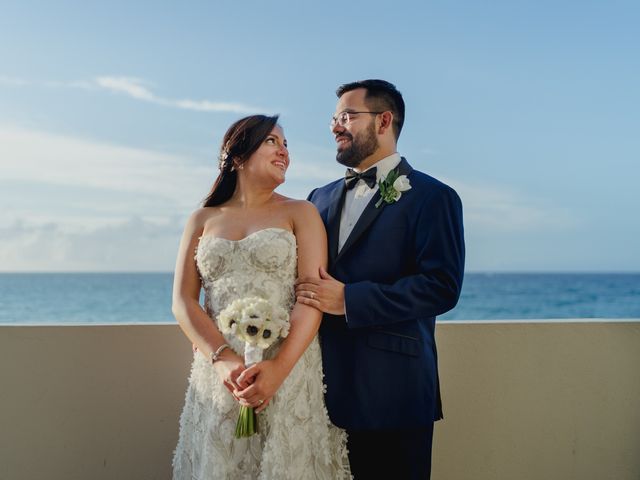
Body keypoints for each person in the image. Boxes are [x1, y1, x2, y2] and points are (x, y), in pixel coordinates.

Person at [296, 80, 465, 479]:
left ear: (384, 120)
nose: (336, 126)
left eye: (347, 116)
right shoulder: (316, 198)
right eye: (334, 118)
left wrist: (350, 300)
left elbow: (441, 286)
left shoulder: (433, 196)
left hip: (394, 392)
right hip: (316, 391)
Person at [171, 114, 350, 479]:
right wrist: (222, 361)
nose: (283, 150)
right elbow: (183, 301)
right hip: (221, 370)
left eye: (286, 144)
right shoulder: (202, 219)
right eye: (272, 141)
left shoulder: (301, 212)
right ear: (237, 154)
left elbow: (310, 298)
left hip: (287, 365)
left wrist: (277, 371)